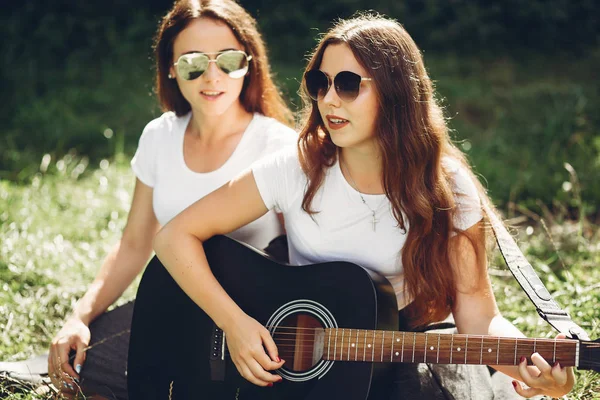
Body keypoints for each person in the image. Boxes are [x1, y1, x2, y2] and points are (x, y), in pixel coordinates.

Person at [152, 14, 575, 399]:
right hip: (296, 363)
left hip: (400, 347)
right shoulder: (297, 167)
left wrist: (534, 367)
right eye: (321, 83)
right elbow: (174, 235)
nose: (330, 100)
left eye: (348, 85)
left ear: (395, 94)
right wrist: (234, 323)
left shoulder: (448, 186)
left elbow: (478, 317)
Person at [41, 0, 296, 398]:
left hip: (253, 324)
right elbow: (135, 243)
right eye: (194, 62)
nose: (213, 77)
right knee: (82, 364)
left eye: (227, 60)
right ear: (171, 69)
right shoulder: (159, 137)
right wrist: (80, 316)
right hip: (175, 306)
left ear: (249, 64)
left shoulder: (278, 146)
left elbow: (300, 261)